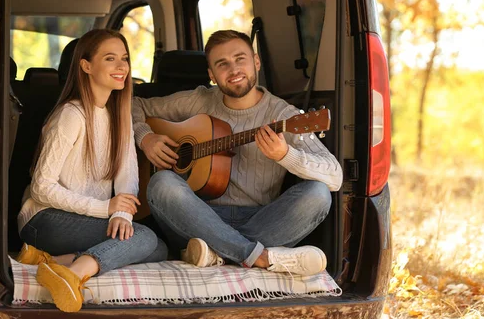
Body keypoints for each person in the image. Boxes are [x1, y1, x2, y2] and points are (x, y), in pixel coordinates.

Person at [133, 30, 343, 276]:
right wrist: (145, 137)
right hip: (196, 219)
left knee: (317, 193)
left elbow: (335, 176)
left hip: (261, 220)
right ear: (211, 75)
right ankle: (258, 257)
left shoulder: (286, 116)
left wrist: (286, 155)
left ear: (256, 62)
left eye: (240, 59)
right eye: (222, 64)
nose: (233, 70)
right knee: (162, 183)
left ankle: (219, 253)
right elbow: (134, 104)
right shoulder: (199, 100)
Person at [16, 29, 169, 313]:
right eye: (110, 59)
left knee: (158, 247)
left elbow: (127, 176)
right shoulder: (71, 115)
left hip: (83, 219)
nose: (122, 66)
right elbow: (41, 187)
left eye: (124, 58)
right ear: (86, 66)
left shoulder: (119, 114)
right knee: (144, 238)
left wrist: (122, 213)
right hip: (43, 219)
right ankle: (73, 274)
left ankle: (54, 262)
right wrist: (105, 208)